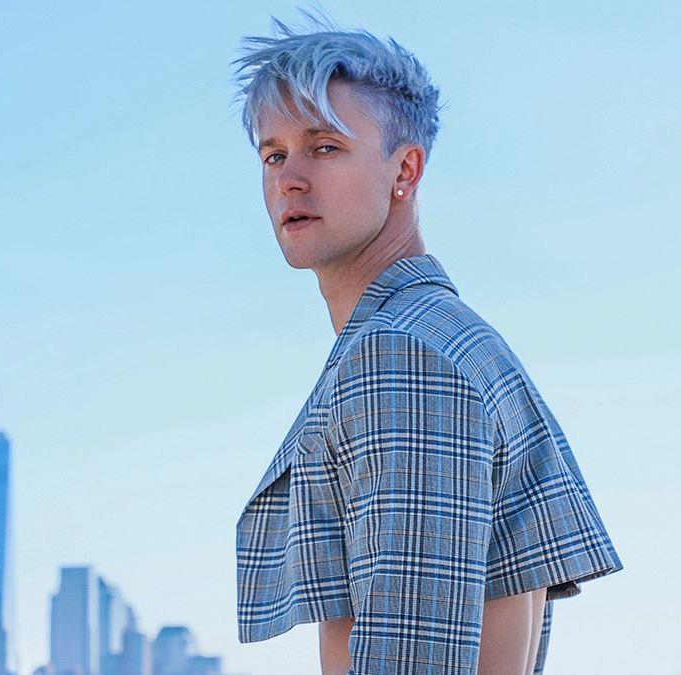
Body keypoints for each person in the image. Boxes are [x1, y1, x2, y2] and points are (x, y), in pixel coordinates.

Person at [232, 17, 622, 675]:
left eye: (324, 147)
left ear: (404, 170)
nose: (289, 178)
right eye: (274, 154)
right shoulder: (446, 336)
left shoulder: (401, 357)